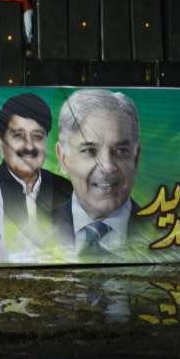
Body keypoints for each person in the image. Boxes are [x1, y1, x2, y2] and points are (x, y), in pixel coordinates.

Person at [53, 89, 151, 263]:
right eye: (90, 151)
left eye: (121, 151)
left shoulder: (166, 232)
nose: (107, 167)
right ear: (63, 158)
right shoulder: (34, 229)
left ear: (136, 158)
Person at [0, 93, 72, 260]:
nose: (29, 146)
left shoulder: (66, 190)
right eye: (18, 135)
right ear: (1, 141)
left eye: (37, 137)